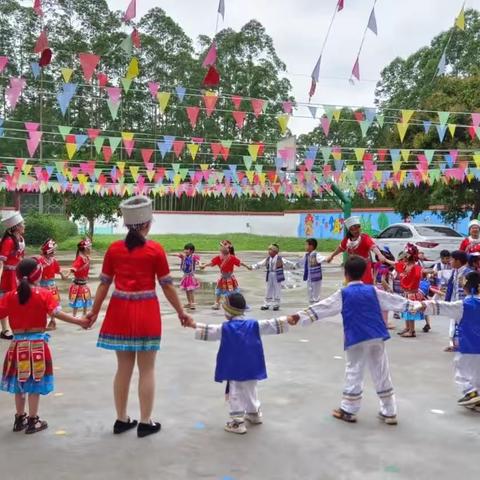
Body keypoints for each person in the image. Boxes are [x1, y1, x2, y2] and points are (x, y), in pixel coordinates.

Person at [88, 196, 192, 438]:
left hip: (119, 312)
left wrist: (93, 312)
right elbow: (166, 286)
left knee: (123, 367)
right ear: (148, 223)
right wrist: (181, 312)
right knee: (147, 369)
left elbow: (104, 285)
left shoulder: (114, 249)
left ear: (127, 224)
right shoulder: (155, 250)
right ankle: (145, 422)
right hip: (146, 312)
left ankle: (121, 419)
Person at [286, 256, 422, 425]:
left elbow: (323, 307)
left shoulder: (343, 294)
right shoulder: (373, 291)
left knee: (354, 371)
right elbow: (395, 301)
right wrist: (416, 305)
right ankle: (389, 411)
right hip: (376, 334)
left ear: (346, 274)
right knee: (381, 371)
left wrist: (299, 316)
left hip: (356, 336)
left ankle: (349, 410)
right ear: (364, 272)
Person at [0, 257, 88, 434]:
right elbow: (58, 313)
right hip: (37, 346)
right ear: (37, 275)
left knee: (20, 382)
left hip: (17, 346)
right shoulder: (43, 294)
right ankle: (33, 420)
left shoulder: (10, 296)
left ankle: (19, 418)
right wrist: (80, 322)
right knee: (35, 382)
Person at [187, 292, 290, 434]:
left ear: (228, 311)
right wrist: (288, 319)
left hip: (234, 368)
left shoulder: (225, 328)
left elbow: (210, 330)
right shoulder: (254, 324)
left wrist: (193, 324)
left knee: (235, 393)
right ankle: (254, 414)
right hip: (252, 366)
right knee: (251, 389)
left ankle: (238, 422)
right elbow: (271, 324)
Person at [418, 272, 480, 410]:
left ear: (465, 287)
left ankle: (471, 393)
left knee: (462, 372)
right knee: (477, 374)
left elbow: (443, 307)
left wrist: (424, 304)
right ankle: (477, 398)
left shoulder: (464, 305)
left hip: (469, 345)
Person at [326, 216, 385, 284]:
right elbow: (340, 248)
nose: (355, 231)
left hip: (364, 268)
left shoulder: (364, 237)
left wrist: (379, 254)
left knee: (365, 286)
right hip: (352, 267)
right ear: (349, 230)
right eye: (352, 229)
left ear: (360, 228)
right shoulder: (347, 240)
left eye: (357, 228)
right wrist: (332, 256)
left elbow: (373, 247)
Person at [385, 244, 424, 338]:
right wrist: (385, 260)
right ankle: (407, 328)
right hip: (406, 292)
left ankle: (412, 331)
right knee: (406, 311)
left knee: (410, 312)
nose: (404, 256)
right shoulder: (405, 265)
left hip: (412, 293)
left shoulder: (415, 267)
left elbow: (418, 277)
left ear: (410, 255)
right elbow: (395, 264)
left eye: (406, 254)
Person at [200, 240, 251, 310]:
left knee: (235, 292)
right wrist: (205, 265)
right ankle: (217, 304)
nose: (222, 248)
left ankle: (242, 304)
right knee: (218, 291)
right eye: (222, 246)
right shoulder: (218, 258)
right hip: (223, 277)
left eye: (224, 246)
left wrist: (247, 266)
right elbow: (212, 263)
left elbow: (240, 263)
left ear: (228, 249)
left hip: (230, 278)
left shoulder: (232, 257)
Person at [0, 212, 26, 340]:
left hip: (18, 275)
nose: (24, 226)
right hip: (8, 276)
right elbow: (1, 261)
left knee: (17, 300)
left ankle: (16, 325)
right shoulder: (8, 241)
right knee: (5, 301)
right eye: (22, 224)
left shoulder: (20, 239)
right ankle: (5, 329)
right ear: (16, 227)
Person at [251, 243, 295, 311]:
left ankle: (276, 304)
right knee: (269, 289)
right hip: (270, 274)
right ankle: (267, 304)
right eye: (268, 250)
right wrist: (252, 267)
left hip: (277, 274)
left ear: (275, 251)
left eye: (270, 250)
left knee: (277, 289)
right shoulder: (268, 259)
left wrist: (295, 266)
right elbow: (260, 263)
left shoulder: (280, 258)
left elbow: (288, 263)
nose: (268, 251)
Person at [444, 250, 473, 353]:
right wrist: (447, 301)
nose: (450, 262)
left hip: (464, 304)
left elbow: (471, 291)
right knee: (453, 324)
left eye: (451, 259)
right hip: (454, 302)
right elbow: (450, 287)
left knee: (463, 324)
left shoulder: (468, 273)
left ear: (458, 261)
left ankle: (462, 344)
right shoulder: (455, 271)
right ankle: (453, 344)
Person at [39, 239, 69, 331]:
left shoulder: (53, 261)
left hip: (51, 284)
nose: (54, 253)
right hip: (42, 284)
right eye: (53, 251)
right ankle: (42, 322)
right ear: (48, 251)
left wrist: (64, 274)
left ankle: (52, 321)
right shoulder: (40, 260)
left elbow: (58, 270)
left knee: (52, 304)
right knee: (41, 304)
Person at [373, 247, 396, 329]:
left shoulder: (376, 265)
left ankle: (378, 322)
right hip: (383, 288)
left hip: (376, 287)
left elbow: (374, 278)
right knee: (385, 307)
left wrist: (374, 286)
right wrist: (389, 288)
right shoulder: (385, 269)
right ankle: (385, 323)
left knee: (378, 306)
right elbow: (383, 280)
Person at [69, 239, 93, 317]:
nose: (91, 249)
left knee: (85, 299)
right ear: (86, 249)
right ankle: (74, 316)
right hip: (78, 284)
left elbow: (84, 269)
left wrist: (86, 275)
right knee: (76, 300)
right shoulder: (80, 258)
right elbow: (74, 267)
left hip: (84, 283)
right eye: (90, 247)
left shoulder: (86, 258)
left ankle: (84, 314)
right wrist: (67, 274)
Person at [298, 238, 325, 304]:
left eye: (306, 245)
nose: (305, 246)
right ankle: (311, 306)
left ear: (311, 246)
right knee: (310, 291)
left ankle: (316, 306)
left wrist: (329, 258)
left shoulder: (316, 254)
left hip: (316, 277)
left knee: (316, 292)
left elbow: (322, 258)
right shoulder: (306, 255)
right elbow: (300, 263)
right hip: (309, 277)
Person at [176, 243, 200, 310]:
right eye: (185, 249)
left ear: (192, 251)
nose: (185, 250)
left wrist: (200, 263)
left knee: (191, 290)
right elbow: (178, 254)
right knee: (187, 290)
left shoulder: (194, 257)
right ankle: (189, 303)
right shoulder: (183, 256)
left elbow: (198, 261)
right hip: (185, 276)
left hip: (190, 276)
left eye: (187, 249)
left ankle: (193, 303)